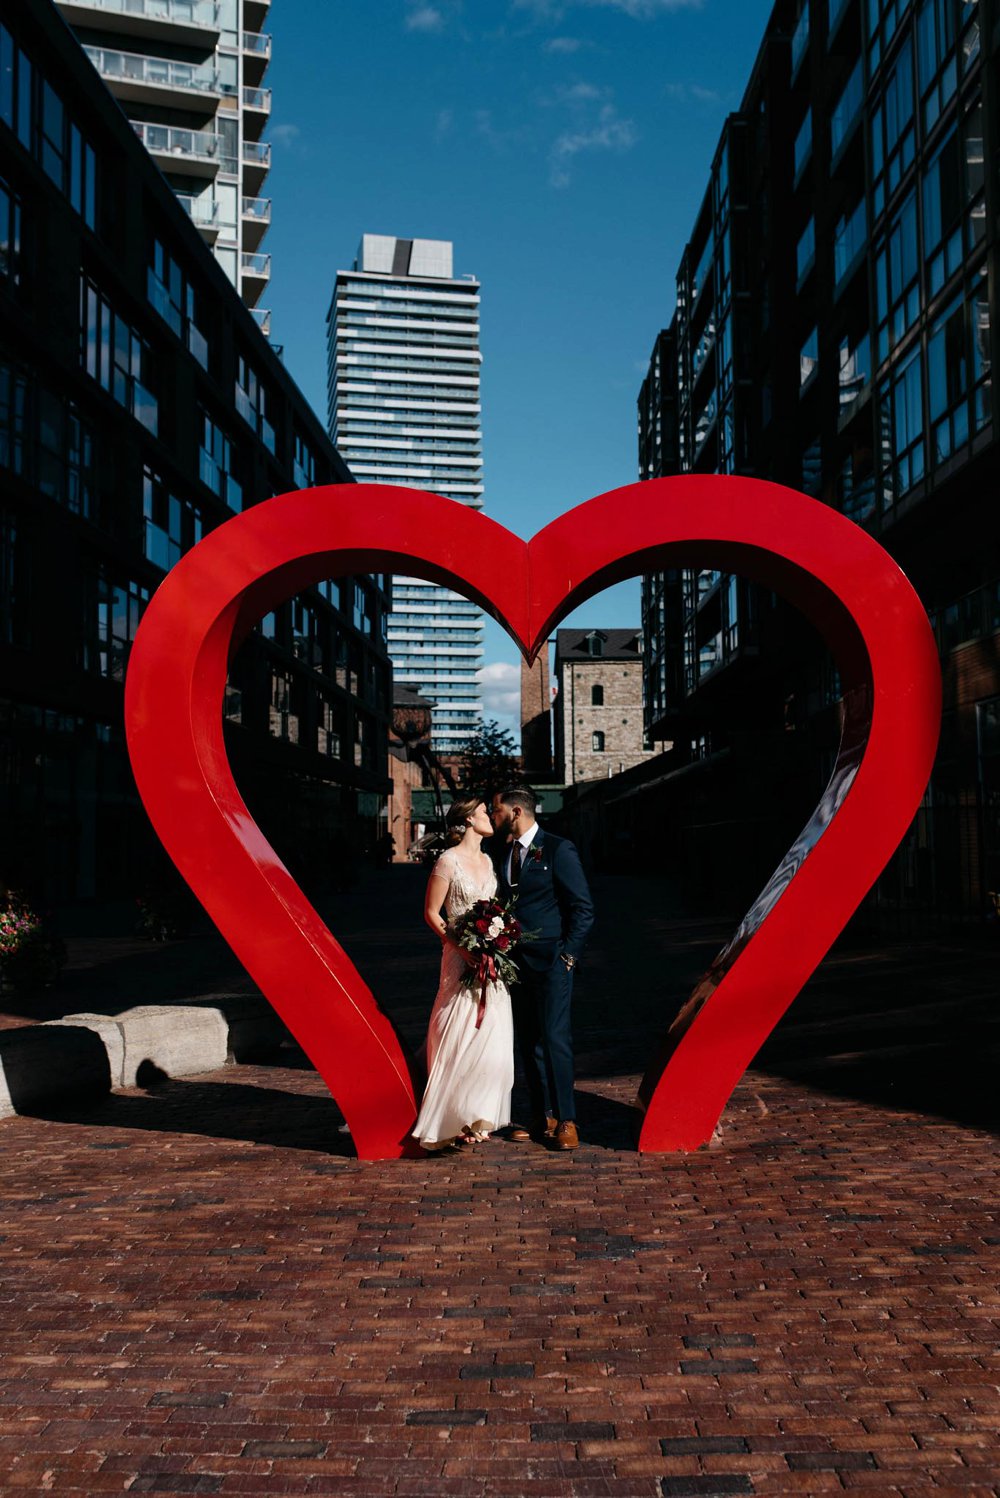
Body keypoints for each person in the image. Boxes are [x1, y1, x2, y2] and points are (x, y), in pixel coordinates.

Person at [490, 785, 594, 1150]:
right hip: (515, 964)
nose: (493, 816)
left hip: (552, 962)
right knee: (529, 1041)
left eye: (496, 810)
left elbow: (582, 908)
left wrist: (568, 956)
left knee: (555, 1040)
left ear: (516, 812)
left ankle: (567, 1119)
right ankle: (542, 1115)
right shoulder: (504, 852)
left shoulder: (557, 849)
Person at [411, 795, 515, 1153]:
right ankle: (448, 1117)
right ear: (469, 820)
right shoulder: (448, 861)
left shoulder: (488, 861)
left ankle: (474, 1115)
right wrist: (461, 947)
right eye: (485, 811)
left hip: (490, 959)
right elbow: (432, 913)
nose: (490, 815)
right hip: (459, 958)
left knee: (489, 1034)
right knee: (456, 1028)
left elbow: (495, 909)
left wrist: (496, 939)